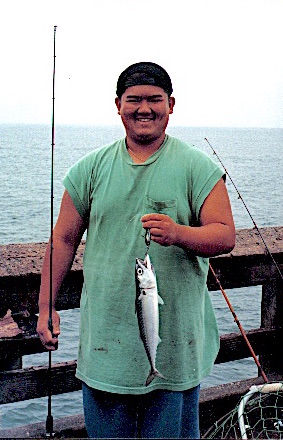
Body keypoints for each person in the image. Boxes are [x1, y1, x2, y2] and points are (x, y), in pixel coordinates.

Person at [37, 61, 235, 438]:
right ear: (118, 104)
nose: (144, 108)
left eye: (155, 99)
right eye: (134, 100)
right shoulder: (89, 169)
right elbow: (62, 239)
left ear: (171, 104)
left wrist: (179, 233)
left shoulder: (197, 167)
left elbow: (225, 235)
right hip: (104, 353)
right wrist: (46, 306)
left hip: (176, 352)